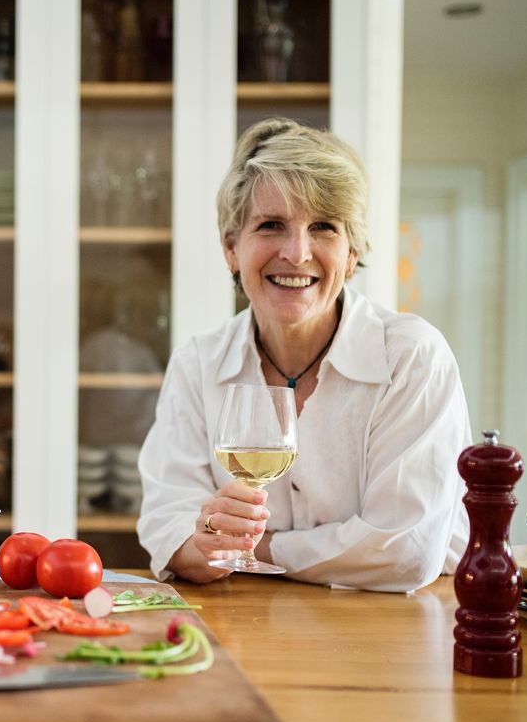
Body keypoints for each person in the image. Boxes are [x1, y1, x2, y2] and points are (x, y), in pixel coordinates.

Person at [137, 117, 470, 593]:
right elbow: (167, 528)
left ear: (352, 253)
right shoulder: (199, 363)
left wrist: (252, 549)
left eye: (323, 227)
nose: (296, 253)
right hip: (244, 626)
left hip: (398, 633)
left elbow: (404, 550)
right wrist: (205, 545)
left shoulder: (410, 357)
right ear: (232, 248)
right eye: (271, 225)